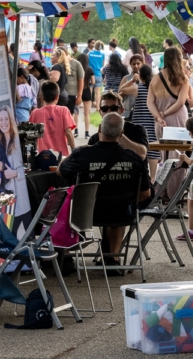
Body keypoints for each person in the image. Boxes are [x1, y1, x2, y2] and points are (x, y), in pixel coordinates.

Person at [58, 113, 148, 260]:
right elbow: (145, 193)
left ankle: (65, 256)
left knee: (62, 199)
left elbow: (60, 172)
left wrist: (73, 153)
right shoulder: (134, 159)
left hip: (86, 215)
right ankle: (113, 257)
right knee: (119, 209)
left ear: (100, 129)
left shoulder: (84, 154)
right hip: (121, 214)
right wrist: (122, 201)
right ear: (121, 133)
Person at [149, 46, 192, 157]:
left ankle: (163, 174)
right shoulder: (182, 78)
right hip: (178, 118)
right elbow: (181, 103)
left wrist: (159, 117)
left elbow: (150, 102)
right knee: (179, 155)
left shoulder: (155, 79)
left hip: (160, 121)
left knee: (164, 156)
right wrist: (165, 113)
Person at [0, 106, 30, 229]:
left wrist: (15, 173)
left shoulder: (19, 140)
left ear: (11, 120)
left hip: (22, 194)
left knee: (29, 234)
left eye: (6, 119)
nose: (3, 123)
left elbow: (29, 167)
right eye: (1, 120)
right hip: (8, 195)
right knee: (11, 235)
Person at [87, 91, 148, 159]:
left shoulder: (137, 130)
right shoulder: (94, 139)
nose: (109, 112)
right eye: (105, 109)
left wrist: (116, 132)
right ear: (100, 112)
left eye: (114, 108)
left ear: (121, 110)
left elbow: (142, 154)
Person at [30, 81, 75, 157]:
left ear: (42, 97)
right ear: (57, 96)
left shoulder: (35, 113)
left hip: (42, 156)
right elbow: (68, 133)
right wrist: (74, 150)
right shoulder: (64, 110)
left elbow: (31, 136)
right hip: (61, 155)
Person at [131, 64, 160, 178]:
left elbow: (121, 89)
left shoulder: (137, 88)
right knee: (153, 150)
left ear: (141, 76)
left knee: (139, 150)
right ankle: (152, 179)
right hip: (153, 123)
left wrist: (132, 80)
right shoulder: (156, 89)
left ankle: (141, 178)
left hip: (139, 124)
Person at [49, 47, 71, 115]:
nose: (51, 57)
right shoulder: (62, 66)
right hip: (63, 94)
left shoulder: (57, 67)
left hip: (58, 96)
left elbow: (54, 79)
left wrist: (47, 76)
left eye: (53, 55)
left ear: (58, 57)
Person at [77, 50, 93, 137]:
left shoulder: (77, 68)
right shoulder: (89, 69)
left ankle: (76, 131)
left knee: (76, 112)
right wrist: (89, 84)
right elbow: (93, 81)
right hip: (86, 90)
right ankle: (87, 133)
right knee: (87, 113)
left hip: (78, 90)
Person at [87, 40, 105, 105]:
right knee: (98, 92)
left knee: (90, 91)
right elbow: (103, 66)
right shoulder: (102, 54)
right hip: (98, 74)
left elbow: (86, 62)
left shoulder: (90, 53)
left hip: (90, 75)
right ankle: (98, 107)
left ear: (95, 46)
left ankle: (88, 106)